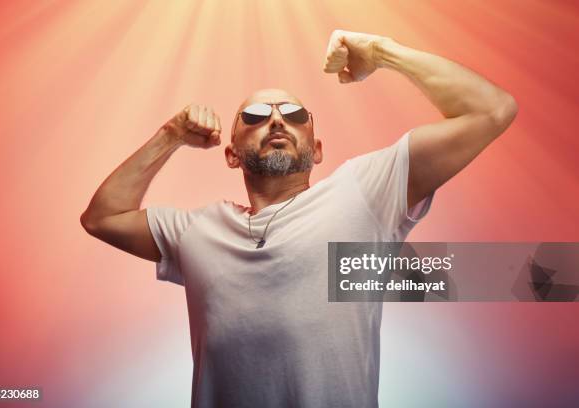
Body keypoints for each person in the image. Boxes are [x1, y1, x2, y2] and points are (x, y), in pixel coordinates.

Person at [80, 30, 517, 407]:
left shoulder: (366, 192)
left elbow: (492, 110)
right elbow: (103, 217)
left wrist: (384, 53)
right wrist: (170, 135)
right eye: (254, 116)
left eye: (293, 115)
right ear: (231, 154)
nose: (275, 121)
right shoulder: (196, 231)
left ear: (317, 148)